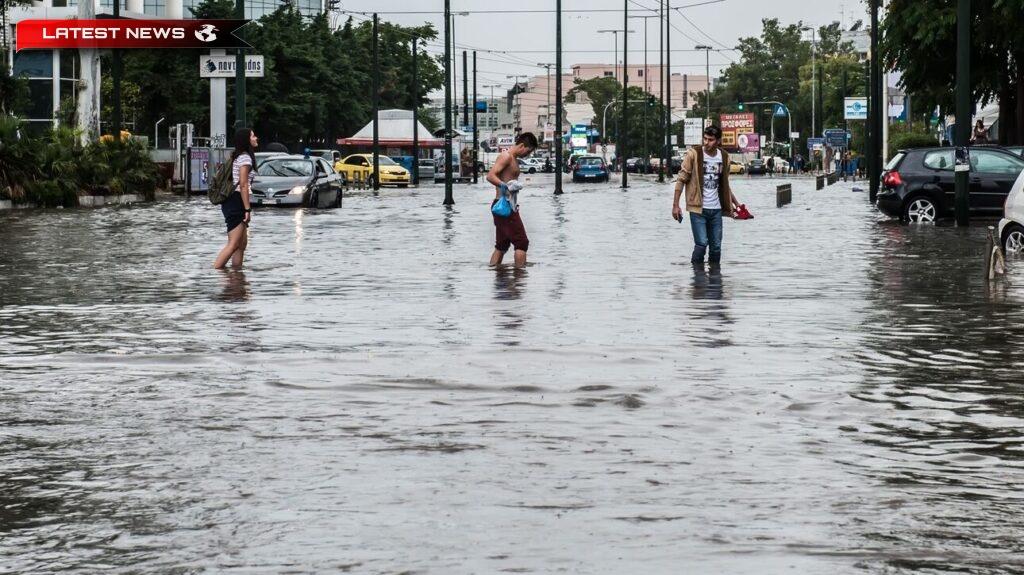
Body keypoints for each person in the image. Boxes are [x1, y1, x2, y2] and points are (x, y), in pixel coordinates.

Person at [672, 125, 741, 267]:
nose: (706, 142)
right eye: (705, 138)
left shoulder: (724, 157)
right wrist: (675, 205)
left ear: (718, 141)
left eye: (710, 140)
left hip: (716, 210)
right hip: (698, 209)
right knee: (701, 244)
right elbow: (681, 179)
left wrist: (736, 204)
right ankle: (697, 279)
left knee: (716, 247)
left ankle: (715, 282)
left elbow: (724, 185)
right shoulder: (693, 154)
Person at [486, 132, 538, 268]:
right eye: (529, 151)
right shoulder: (506, 157)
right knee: (521, 242)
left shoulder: (513, 159)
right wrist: (505, 186)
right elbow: (490, 176)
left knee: (502, 244)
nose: (528, 154)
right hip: (504, 206)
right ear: (522, 145)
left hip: (507, 206)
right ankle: (519, 279)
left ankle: (495, 273)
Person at [213, 128, 257, 269]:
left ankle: (236, 277)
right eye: (252, 136)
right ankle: (215, 272)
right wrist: (247, 209)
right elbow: (243, 185)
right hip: (235, 201)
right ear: (246, 140)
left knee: (241, 244)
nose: (256, 138)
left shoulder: (239, 156)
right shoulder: (245, 158)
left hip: (234, 201)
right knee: (233, 245)